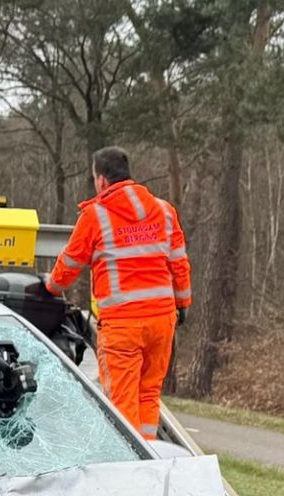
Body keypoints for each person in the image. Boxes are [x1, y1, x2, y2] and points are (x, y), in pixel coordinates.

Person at [43, 146, 192, 440]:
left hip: (123, 326)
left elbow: (69, 264)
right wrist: (183, 302)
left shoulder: (96, 216)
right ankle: (150, 460)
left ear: (101, 180)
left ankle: (131, 469)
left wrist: (51, 287)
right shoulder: (163, 211)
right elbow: (179, 263)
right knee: (148, 394)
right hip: (162, 321)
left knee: (122, 405)